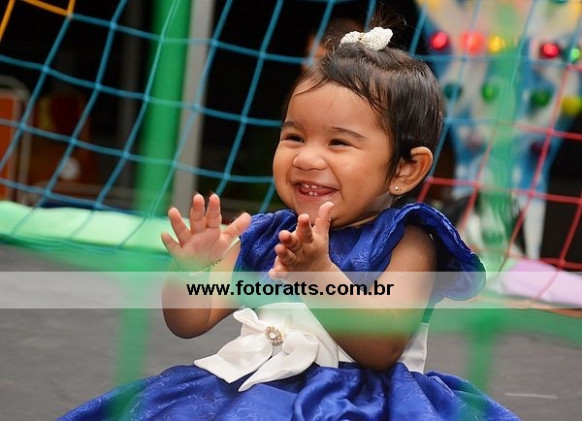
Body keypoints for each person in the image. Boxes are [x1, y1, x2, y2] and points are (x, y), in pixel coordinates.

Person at [59, 19, 520, 420]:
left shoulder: (409, 239)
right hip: (251, 391)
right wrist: (190, 272)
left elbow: (383, 347)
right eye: (295, 136)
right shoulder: (267, 235)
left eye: (338, 143)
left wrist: (317, 274)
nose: (306, 158)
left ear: (405, 169)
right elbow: (190, 320)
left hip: (361, 404)